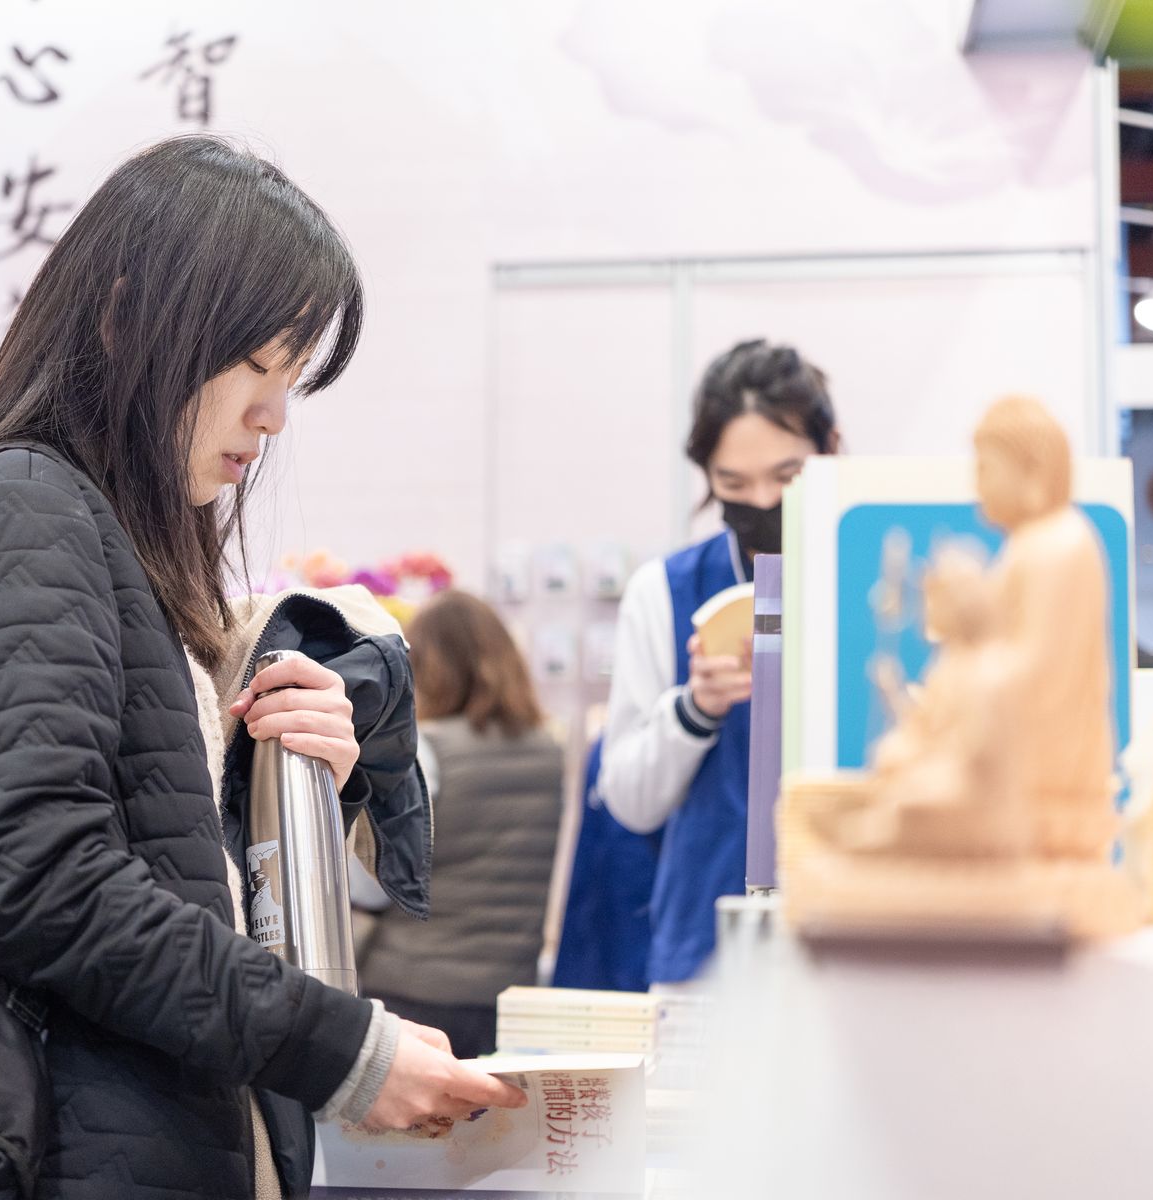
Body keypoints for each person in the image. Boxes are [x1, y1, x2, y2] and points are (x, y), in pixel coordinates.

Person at [0, 135, 522, 1200]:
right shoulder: (19, 513)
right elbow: (42, 881)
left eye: (292, 379)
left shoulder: (104, 539)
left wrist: (288, 776)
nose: (273, 416)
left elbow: (145, 868)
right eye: (258, 365)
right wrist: (342, 1050)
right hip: (35, 1152)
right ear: (124, 318)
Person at [599, 339, 840, 985]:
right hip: (708, 952)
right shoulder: (665, 592)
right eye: (733, 483)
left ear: (831, 449)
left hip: (859, 938)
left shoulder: (872, 578)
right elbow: (629, 802)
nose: (761, 501)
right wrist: (694, 710)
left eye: (787, 477)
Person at [358, 590, 563, 1059]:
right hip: (504, 995)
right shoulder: (548, 751)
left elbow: (373, 883)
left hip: (414, 988)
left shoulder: (423, 751)